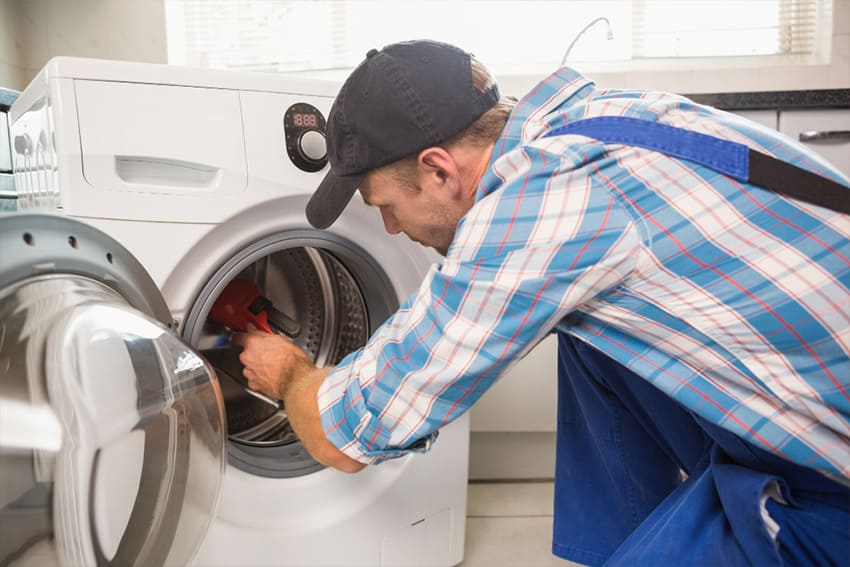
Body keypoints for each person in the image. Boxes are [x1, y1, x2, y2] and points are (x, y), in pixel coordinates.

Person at [232, 39, 850, 565]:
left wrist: (290, 374)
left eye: (385, 206)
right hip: (807, 408)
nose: (391, 230)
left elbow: (350, 434)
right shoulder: (602, 121)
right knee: (587, 329)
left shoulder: (543, 202)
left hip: (832, 487)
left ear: (439, 169)